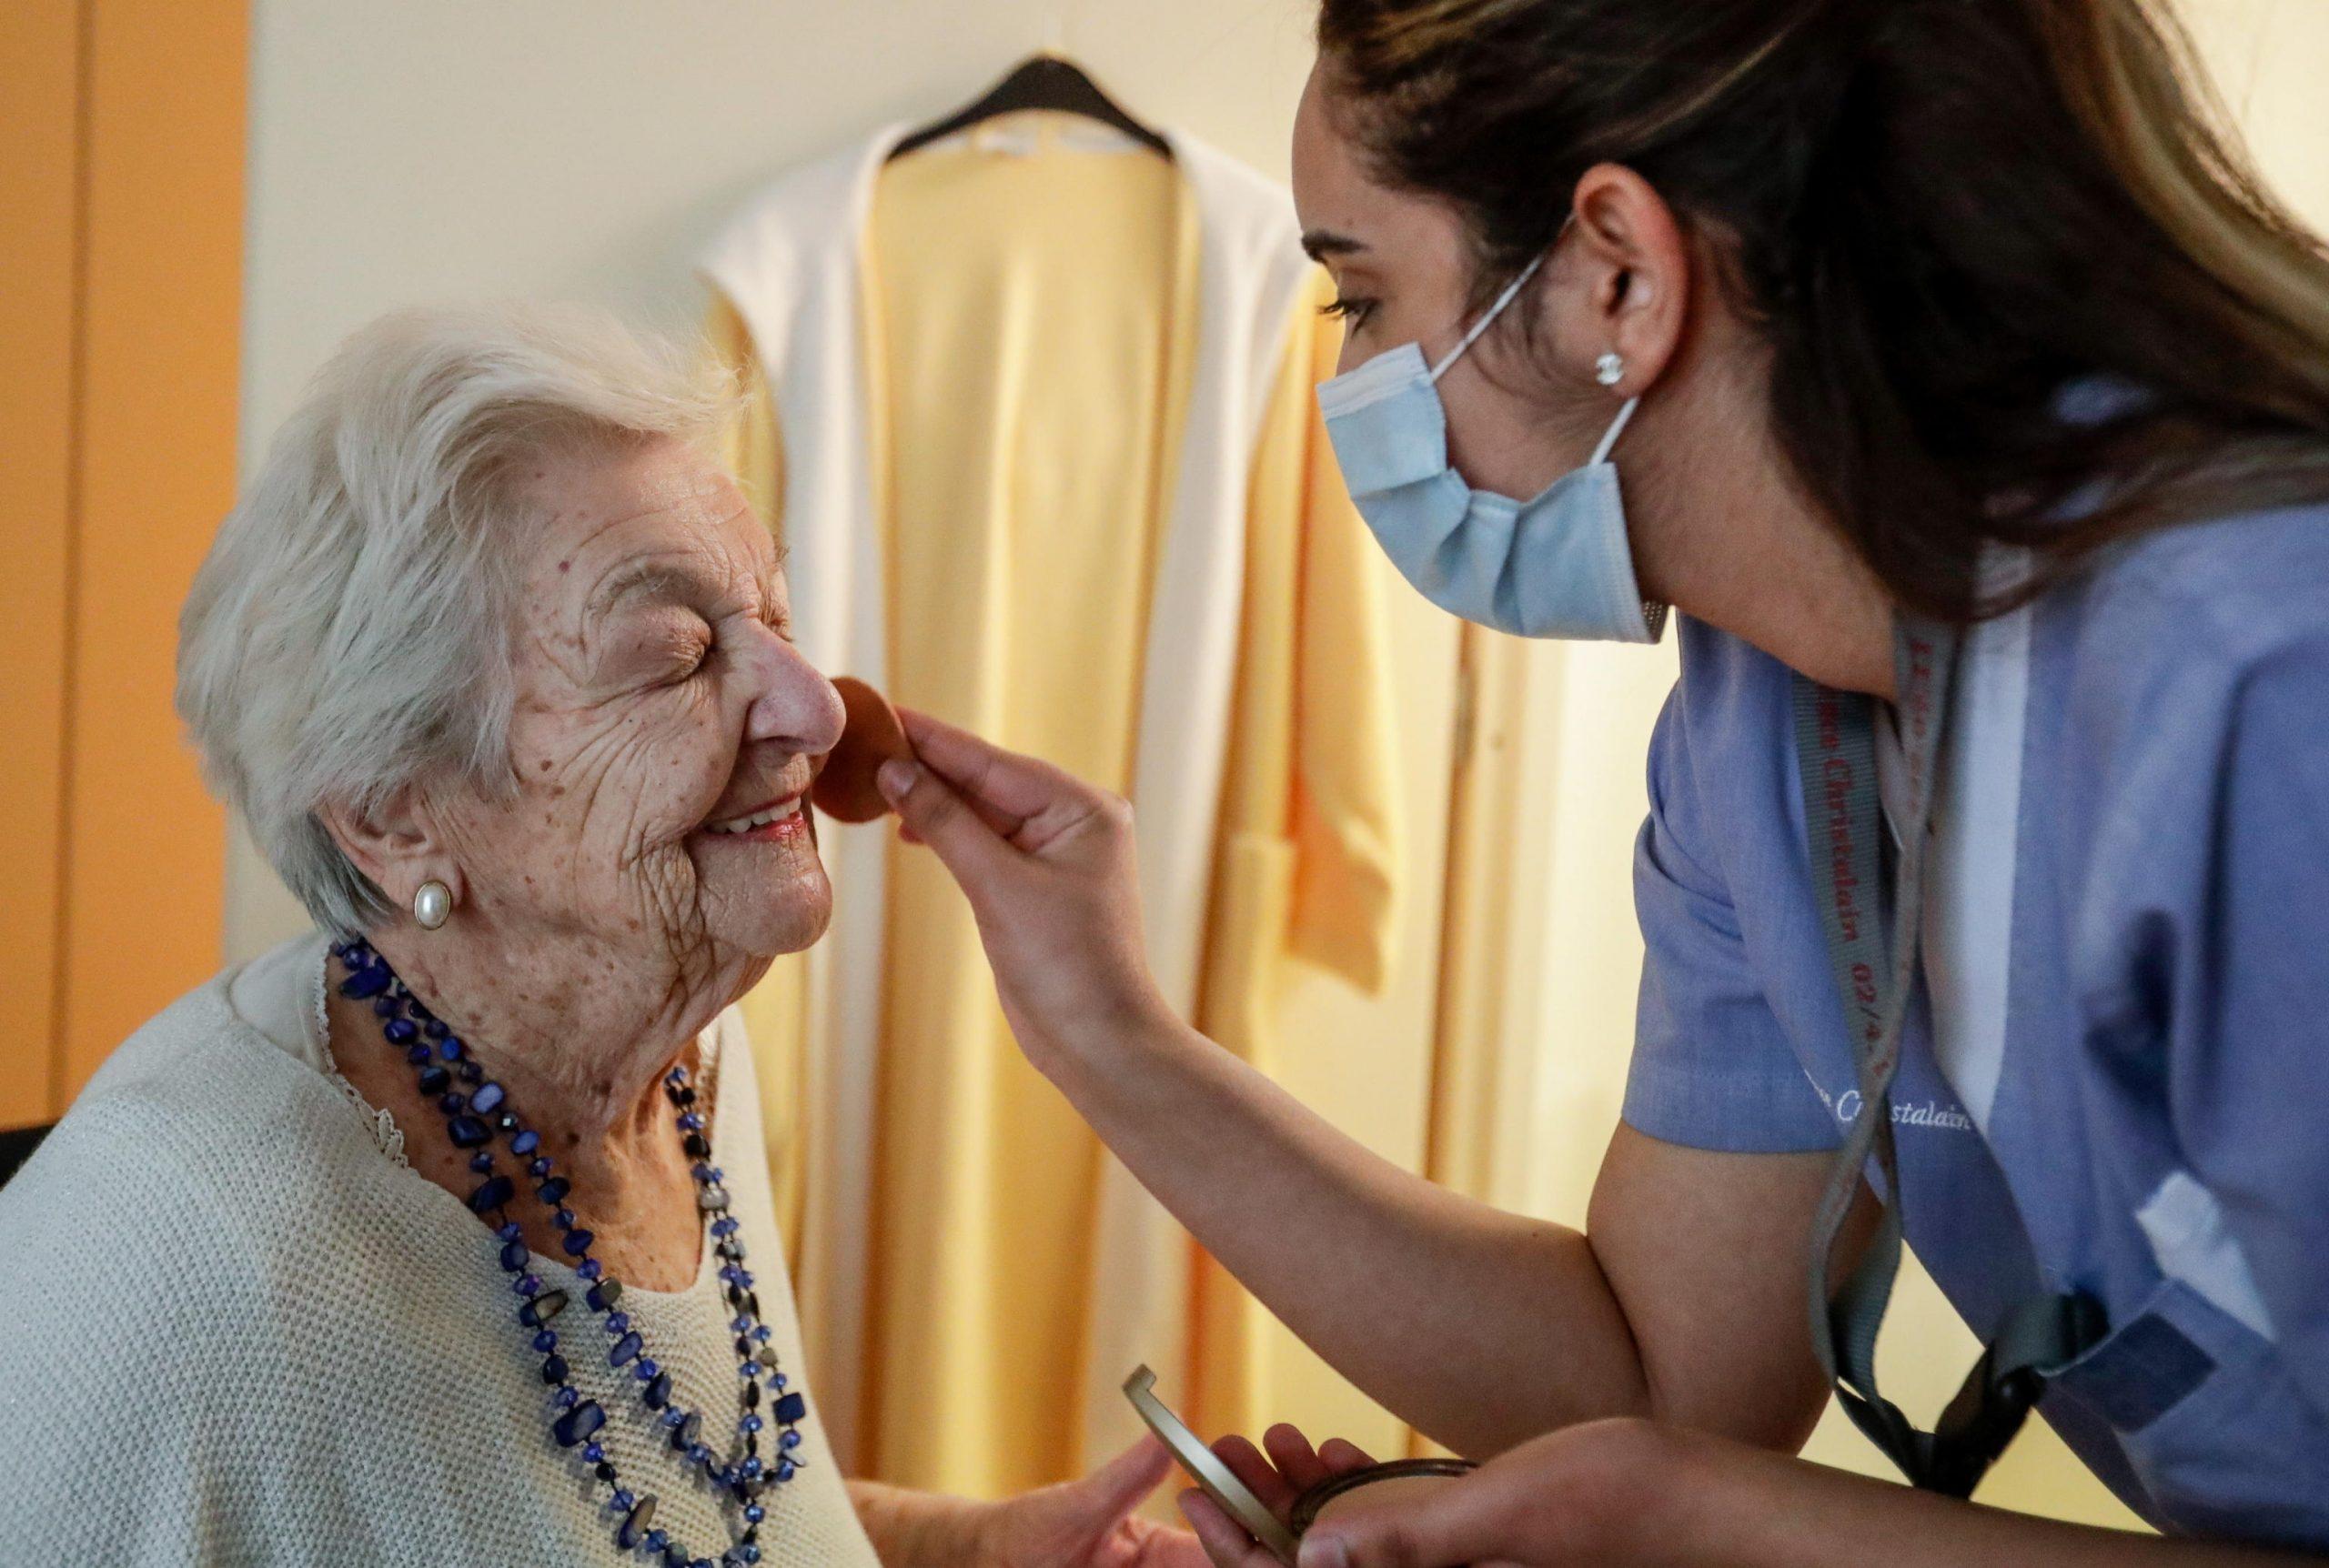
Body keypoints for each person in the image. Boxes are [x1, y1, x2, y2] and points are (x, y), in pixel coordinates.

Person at [866, 0, 2329, 1563]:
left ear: (1613, 273)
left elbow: (1675, 1463)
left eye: (1358, 298)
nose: (1349, 377)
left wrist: (1686, 1520)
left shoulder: (2262, 680)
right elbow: (1661, 1376)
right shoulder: (1765, 714)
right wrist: (1105, 1029)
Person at [0, 304, 1212, 1568]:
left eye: (779, 622)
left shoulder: (678, 1063)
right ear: (393, 812)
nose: (812, 706)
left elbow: (611, 1521)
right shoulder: (173, 1264)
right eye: (676, 658)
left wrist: (965, 1551)